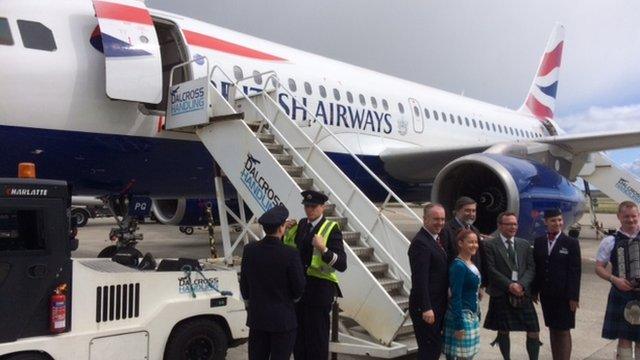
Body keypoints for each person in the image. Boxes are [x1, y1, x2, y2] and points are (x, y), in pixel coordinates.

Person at [283, 190, 347, 360]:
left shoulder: (331, 229)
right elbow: (292, 252)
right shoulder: (302, 224)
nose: (309, 210)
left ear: (322, 207)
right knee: (299, 340)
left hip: (319, 293)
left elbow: (342, 264)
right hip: (300, 293)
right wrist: (284, 232)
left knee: (317, 341)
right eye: (306, 206)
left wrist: (323, 249)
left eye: (313, 206)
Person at [240, 204, 306, 360]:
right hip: (283, 321)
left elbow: (244, 287)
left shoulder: (250, 250)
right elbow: (299, 287)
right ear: (282, 228)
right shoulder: (290, 253)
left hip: (258, 319)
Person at [484, 212, 540, 360]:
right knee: (503, 330)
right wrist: (510, 285)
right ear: (500, 226)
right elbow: (491, 269)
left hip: (522, 293)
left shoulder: (524, 244)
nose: (513, 227)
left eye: (515, 224)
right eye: (509, 224)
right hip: (501, 293)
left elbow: (531, 267)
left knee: (534, 330)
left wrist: (521, 284)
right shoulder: (490, 244)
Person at [532, 209, 581, 360]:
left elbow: (575, 271)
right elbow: (537, 268)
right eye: (553, 220)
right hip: (547, 295)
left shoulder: (571, 243)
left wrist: (574, 297)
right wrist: (534, 290)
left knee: (563, 330)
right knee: (553, 329)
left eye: (559, 220)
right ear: (546, 222)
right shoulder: (539, 242)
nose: (557, 223)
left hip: (564, 296)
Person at [595, 201, 640, 360]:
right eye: (626, 216)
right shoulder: (610, 241)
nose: (631, 220)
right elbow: (599, 267)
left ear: (639, 216)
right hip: (621, 293)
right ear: (619, 217)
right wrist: (614, 279)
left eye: (634, 216)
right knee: (624, 337)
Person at [408, 203, 449, 360]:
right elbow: (419, 279)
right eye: (436, 219)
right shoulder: (421, 243)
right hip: (426, 308)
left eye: (443, 219)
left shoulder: (436, 239)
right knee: (429, 350)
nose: (440, 223)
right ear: (425, 219)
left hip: (437, 304)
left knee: (433, 348)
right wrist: (426, 307)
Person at [443, 229, 482, 360]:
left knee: (468, 356)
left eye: (476, 242)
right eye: (470, 242)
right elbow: (455, 296)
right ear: (460, 243)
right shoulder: (458, 266)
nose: (474, 245)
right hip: (461, 317)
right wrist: (459, 325)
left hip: (472, 315)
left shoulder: (470, 263)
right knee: (460, 357)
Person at [440, 196, 487, 287]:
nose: (471, 214)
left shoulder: (475, 231)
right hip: (456, 284)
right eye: (467, 210)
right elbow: (444, 261)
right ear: (457, 211)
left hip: (472, 285)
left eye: (474, 211)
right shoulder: (446, 230)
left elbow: (480, 258)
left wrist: (481, 285)